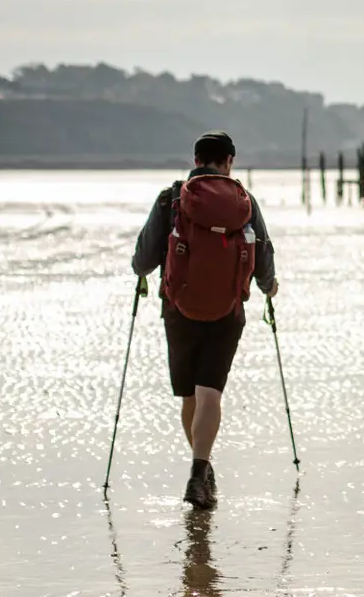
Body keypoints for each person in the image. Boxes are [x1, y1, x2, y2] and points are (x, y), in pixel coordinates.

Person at [131, 130, 278, 509]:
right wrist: (268, 285)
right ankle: (200, 471)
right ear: (230, 161)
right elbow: (262, 250)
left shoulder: (171, 199)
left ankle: (201, 469)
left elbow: (143, 259)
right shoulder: (245, 201)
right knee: (211, 391)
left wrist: (142, 269)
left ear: (196, 160)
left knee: (189, 396)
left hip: (178, 308)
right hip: (228, 310)